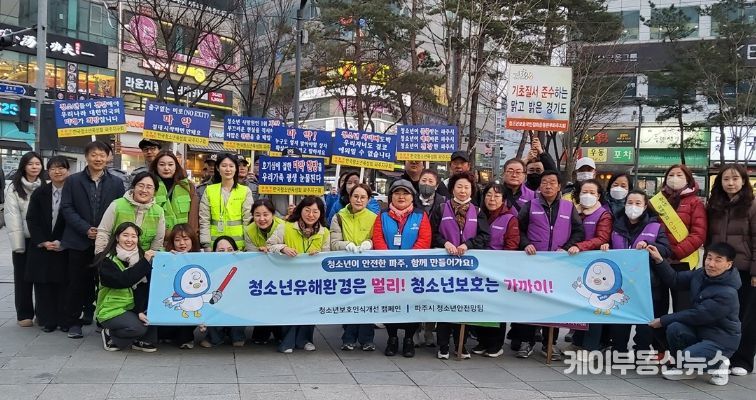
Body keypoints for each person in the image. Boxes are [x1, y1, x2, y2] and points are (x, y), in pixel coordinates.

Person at [514, 170, 584, 360]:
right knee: (530, 302)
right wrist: (525, 243)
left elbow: (579, 231)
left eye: (552, 182)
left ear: (559, 186)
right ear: (539, 186)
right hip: (533, 262)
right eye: (544, 182)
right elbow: (518, 229)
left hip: (558, 264)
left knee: (553, 304)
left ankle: (549, 343)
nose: (548, 186)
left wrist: (567, 247)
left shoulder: (569, 207)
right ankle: (527, 341)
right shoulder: (530, 205)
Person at [648, 242, 741, 386]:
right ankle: (686, 370)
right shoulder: (700, 274)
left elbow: (697, 315)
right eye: (709, 258)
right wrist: (659, 260)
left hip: (720, 340)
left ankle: (720, 364)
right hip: (700, 332)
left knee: (686, 356)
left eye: (718, 260)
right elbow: (675, 280)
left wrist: (662, 320)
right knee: (674, 328)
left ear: (729, 264)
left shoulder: (728, 293)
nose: (711, 264)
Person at [61, 141, 126, 338]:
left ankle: (102, 318)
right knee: (76, 283)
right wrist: (85, 229)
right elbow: (67, 208)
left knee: (104, 282)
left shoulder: (116, 183)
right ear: (86, 156)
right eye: (94, 155)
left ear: (108, 158)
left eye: (102, 155)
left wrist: (105, 232)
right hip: (78, 240)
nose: (98, 159)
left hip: (105, 243)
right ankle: (73, 322)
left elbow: (121, 209)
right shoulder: (72, 181)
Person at [601, 189, 671, 354]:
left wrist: (649, 245)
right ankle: (619, 352)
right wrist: (605, 246)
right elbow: (607, 244)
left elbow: (666, 250)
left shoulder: (655, 226)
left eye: (638, 203)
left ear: (645, 206)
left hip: (647, 284)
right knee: (620, 321)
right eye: (630, 203)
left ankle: (641, 353)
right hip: (621, 283)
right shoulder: (616, 225)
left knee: (644, 323)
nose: (633, 206)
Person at [430, 171, 490, 359]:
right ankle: (443, 345)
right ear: (452, 189)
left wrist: (468, 245)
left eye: (466, 187)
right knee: (444, 305)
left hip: (467, 269)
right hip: (444, 267)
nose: (463, 191)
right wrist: (444, 243)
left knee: (463, 305)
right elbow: (432, 233)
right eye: (459, 187)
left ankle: (460, 344)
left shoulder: (477, 211)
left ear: (472, 190)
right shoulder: (441, 208)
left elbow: (484, 236)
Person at [372, 180, 432, 357]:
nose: (401, 196)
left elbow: (424, 239)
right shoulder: (382, 215)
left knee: (412, 305)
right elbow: (378, 238)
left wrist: (407, 260)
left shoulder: (420, 215)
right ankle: (392, 338)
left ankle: (408, 339)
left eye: (405, 193)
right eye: (397, 193)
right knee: (390, 304)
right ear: (391, 196)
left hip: (413, 270)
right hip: (389, 270)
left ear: (412, 196)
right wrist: (389, 259)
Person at [706, 164, 756, 376]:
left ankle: (743, 360)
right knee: (720, 314)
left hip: (743, 269)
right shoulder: (714, 205)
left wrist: (755, 271)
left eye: (735, 179)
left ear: (743, 181)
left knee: (745, 315)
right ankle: (721, 356)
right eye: (726, 179)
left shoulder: (752, 205)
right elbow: (709, 238)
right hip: (719, 270)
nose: (730, 183)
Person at [267, 196, 331, 353]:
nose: (311, 215)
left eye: (315, 211)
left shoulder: (324, 232)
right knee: (290, 309)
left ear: (321, 214)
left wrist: (320, 254)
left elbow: (328, 255)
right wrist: (283, 248)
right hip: (288, 278)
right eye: (307, 210)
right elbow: (269, 245)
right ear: (300, 210)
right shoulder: (286, 226)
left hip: (312, 280)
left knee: (309, 308)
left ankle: (305, 340)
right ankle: (287, 342)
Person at [564, 179, 613, 353]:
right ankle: (577, 341)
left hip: (594, 267)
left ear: (599, 195)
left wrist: (579, 246)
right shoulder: (573, 211)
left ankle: (591, 346)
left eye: (592, 192)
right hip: (574, 264)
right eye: (585, 192)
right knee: (579, 304)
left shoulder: (603, 214)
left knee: (594, 306)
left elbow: (602, 238)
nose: (588, 195)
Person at [94, 222, 157, 352]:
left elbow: (146, 287)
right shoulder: (106, 260)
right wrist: (144, 263)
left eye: (134, 236)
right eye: (125, 235)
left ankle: (139, 341)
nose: (130, 240)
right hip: (111, 310)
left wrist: (176, 256)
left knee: (152, 319)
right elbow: (124, 280)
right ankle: (111, 335)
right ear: (117, 237)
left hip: (132, 307)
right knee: (139, 328)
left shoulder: (141, 257)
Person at [473, 182, 519, 357]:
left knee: (495, 306)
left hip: (498, 269)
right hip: (478, 269)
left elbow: (512, 245)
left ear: (504, 199)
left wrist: (502, 265)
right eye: (489, 195)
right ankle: (482, 341)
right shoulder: (477, 215)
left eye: (497, 196)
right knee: (480, 305)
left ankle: (495, 344)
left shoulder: (510, 218)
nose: (492, 199)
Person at [330, 183, 378, 351]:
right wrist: (347, 245)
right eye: (355, 196)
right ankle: (348, 338)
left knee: (367, 302)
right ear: (349, 197)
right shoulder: (339, 217)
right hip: (346, 266)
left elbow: (378, 240)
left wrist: (370, 243)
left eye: (363, 197)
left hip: (367, 267)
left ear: (369, 200)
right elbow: (334, 243)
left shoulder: (374, 217)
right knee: (350, 302)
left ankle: (367, 339)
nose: (359, 200)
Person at [654, 164, 707, 312]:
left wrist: (675, 252)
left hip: (683, 262)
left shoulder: (695, 202)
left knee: (682, 306)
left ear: (688, 179)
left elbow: (698, 234)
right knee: (658, 305)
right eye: (671, 175)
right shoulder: (658, 202)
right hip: (659, 260)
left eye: (679, 175)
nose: (674, 178)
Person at [25, 156, 69, 332]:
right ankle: (47, 320)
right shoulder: (40, 192)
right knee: (43, 285)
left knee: (63, 284)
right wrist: (43, 241)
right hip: (42, 247)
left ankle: (64, 320)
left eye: (61, 168)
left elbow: (74, 219)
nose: (57, 171)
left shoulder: (73, 192)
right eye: (53, 168)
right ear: (48, 172)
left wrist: (63, 241)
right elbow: (31, 219)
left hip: (64, 246)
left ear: (68, 170)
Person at [5, 151, 44, 327]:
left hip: (42, 240)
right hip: (24, 239)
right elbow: (12, 217)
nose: (34, 167)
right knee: (22, 279)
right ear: (23, 166)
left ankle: (42, 313)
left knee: (42, 278)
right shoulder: (14, 188)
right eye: (30, 164)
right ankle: (24, 314)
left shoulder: (46, 185)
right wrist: (18, 245)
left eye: (37, 163)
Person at [95, 172, 166, 255]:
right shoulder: (117, 205)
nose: (144, 190)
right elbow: (104, 232)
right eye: (141, 186)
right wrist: (101, 256)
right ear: (133, 187)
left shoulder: (159, 211)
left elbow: (157, 242)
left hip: (143, 258)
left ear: (155, 191)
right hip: (115, 257)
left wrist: (151, 259)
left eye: (149, 187)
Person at [245, 199, 284, 344]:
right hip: (260, 271)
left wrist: (271, 249)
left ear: (273, 214)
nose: (262, 219)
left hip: (281, 270)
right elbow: (252, 255)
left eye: (266, 214)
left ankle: (280, 333)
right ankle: (261, 332)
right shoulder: (249, 230)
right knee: (262, 301)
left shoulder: (283, 226)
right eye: (257, 215)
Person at [199, 153, 253, 251]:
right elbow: (204, 220)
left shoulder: (245, 191)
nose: (228, 169)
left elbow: (248, 221)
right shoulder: (209, 190)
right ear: (218, 168)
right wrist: (206, 245)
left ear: (236, 169)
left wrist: (248, 246)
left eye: (231, 166)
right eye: (224, 166)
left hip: (238, 246)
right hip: (215, 246)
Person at [159, 223, 201, 349]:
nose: (182, 243)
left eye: (186, 239)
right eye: (177, 240)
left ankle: (186, 337)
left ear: (192, 240)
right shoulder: (165, 256)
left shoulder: (202, 257)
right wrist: (169, 260)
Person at [201, 236, 248, 348]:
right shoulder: (209, 266)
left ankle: (237, 336)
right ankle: (215, 337)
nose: (226, 253)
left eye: (230, 250)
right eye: (221, 251)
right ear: (214, 252)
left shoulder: (244, 265)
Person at [149, 151, 199, 236]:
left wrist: (191, 236)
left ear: (176, 166)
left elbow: (193, 215)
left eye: (170, 164)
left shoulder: (187, 185)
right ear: (156, 166)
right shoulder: (149, 185)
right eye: (162, 164)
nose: (166, 168)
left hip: (183, 238)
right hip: (157, 238)